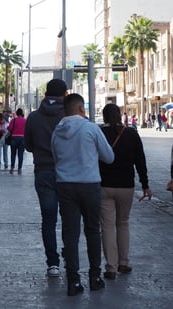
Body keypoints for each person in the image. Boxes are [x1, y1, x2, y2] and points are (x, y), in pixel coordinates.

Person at [51, 93, 114, 296]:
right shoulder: (91, 129)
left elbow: (55, 158)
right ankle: (95, 277)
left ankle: (73, 281)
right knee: (92, 231)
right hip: (89, 185)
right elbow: (109, 157)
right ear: (81, 109)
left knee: (70, 234)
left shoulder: (56, 132)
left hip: (65, 186)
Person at [99, 103, 152, 281]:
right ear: (120, 115)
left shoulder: (99, 133)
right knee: (123, 223)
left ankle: (110, 268)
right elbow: (140, 161)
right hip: (126, 186)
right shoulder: (131, 134)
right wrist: (145, 184)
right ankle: (124, 262)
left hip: (104, 186)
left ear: (104, 116)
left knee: (107, 226)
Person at [24, 78, 67, 277]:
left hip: (43, 172)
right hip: (67, 173)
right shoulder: (69, 115)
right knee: (69, 218)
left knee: (48, 220)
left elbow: (28, 146)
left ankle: (52, 263)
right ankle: (70, 259)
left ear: (45, 94)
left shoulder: (33, 117)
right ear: (64, 94)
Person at [8, 108, 26, 175]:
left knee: (13, 153)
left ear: (16, 113)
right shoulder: (25, 120)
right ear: (22, 113)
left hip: (14, 138)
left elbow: (9, 129)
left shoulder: (13, 120)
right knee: (20, 154)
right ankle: (19, 169)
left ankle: (12, 168)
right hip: (22, 138)